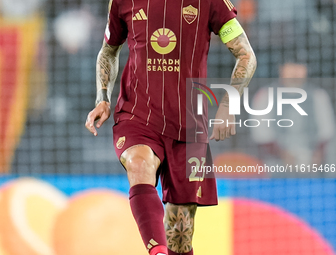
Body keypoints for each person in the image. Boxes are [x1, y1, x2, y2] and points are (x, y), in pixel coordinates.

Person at [85, 0, 256, 254]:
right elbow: (108, 50)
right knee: (138, 163)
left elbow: (246, 54)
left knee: (180, 234)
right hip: (138, 114)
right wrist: (102, 98)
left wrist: (229, 103)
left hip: (189, 125)